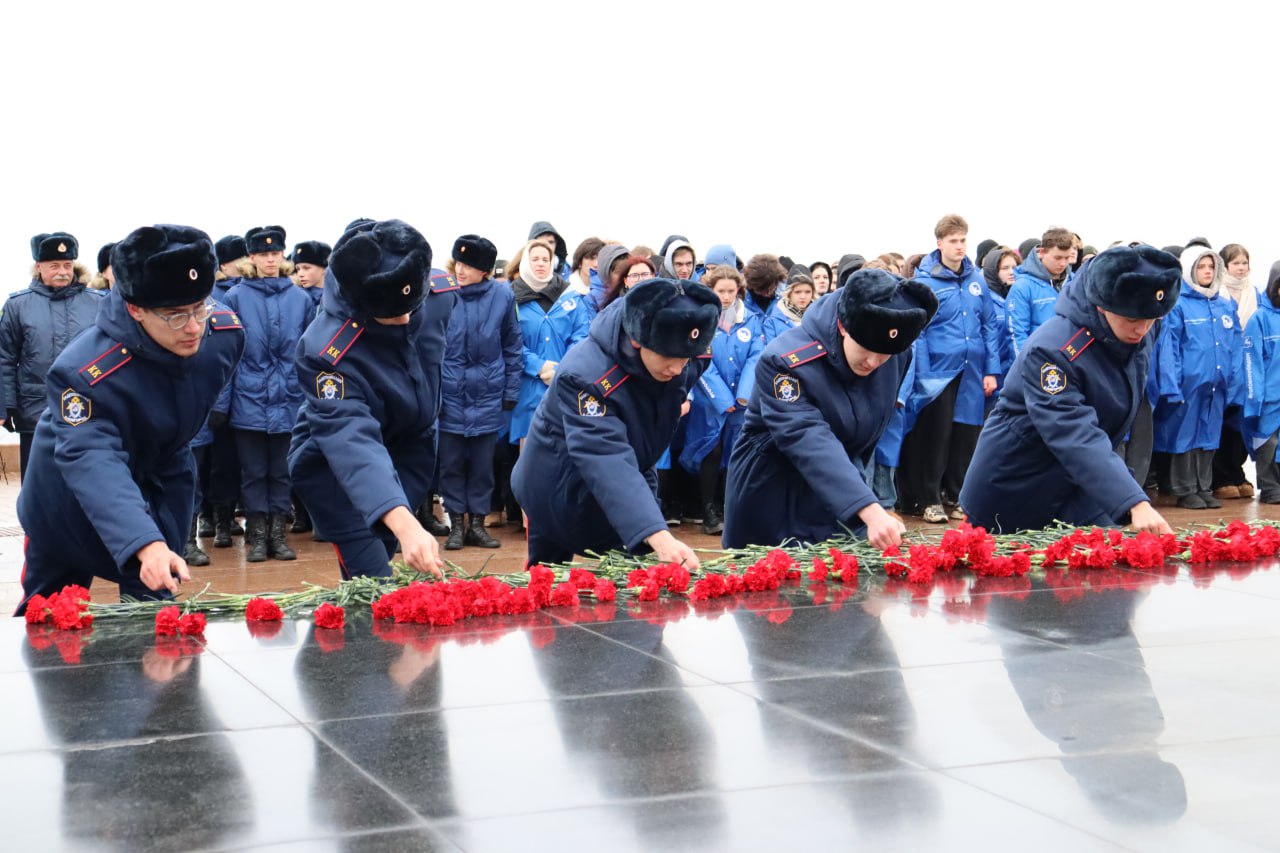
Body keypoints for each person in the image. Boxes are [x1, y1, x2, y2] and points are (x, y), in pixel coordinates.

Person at [14, 224, 245, 614]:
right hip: (69, 499)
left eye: (200, 307)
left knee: (157, 618)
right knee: (49, 619)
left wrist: (153, 542)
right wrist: (143, 540)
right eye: (174, 316)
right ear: (135, 309)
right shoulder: (85, 371)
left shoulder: (223, 335)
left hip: (159, 482)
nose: (193, 327)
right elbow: (91, 458)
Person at [959, 245, 1181, 534]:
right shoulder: (1054, 350)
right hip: (1016, 490)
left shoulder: (1138, 329)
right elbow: (1073, 432)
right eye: (1133, 320)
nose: (1142, 329)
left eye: (1152, 320)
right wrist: (1134, 501)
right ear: (1102, 306)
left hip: (1077, 486)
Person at [511, 277, 720, 567]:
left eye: (686, 358)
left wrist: (652, 531)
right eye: (669, 358)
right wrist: (658, 534)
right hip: (557, 481)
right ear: (637, 340)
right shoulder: (586, 376)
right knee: (548, 578)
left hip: (633, 467)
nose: (677, 369)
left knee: (637, 576)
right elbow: (604, 454)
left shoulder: (684, 355)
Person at [723, 268, 937, 550]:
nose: (873, 362)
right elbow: (806, 436)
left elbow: (866, 435)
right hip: (775, 495)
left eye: (884, 355)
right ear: (844, 327)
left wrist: (864, 501)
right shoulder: (785, 361)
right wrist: (869, 508)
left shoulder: (896, 356)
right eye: (865, 350)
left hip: (841, 491)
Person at [288, 219, 455, 579]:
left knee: (383, 569)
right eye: (392, 315)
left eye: (412, 306)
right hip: (340, 470)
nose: (407, 318)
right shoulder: (325, 352)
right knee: (372, 580)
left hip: (409, 455)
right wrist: (407, 525)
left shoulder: (439, 294)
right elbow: (351, 439)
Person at [896, 214, 1002, 522]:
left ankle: (956, 495)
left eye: (963, 240)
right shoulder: (924, 282)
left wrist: (991, 370)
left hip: (973, 369)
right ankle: (930, 499)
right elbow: (920, 331)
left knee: (966, 435)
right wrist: (925, 373)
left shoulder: (976, 280)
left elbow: (989, 326)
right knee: (936, 435)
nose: (959, 246)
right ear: (939, 243)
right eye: (953, 241)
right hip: (940, 372)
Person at [222, 226, 315, 560]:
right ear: (252, 258)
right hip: (249, 396)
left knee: (281, 470)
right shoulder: (235, 297)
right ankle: (258, 534)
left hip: (289, 397)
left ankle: (278, 533)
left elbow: (308, 352)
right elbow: (228, 355)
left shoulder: (300, 299)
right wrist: (224, 402)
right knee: (252, 471)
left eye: (275, 253)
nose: (270, 259)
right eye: (263, 254)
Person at [438, 234, 522, 550]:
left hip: (488, 393)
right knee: (451, 464)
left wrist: (510, 389)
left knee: (482, 465)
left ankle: (478, 523)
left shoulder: (502, 297)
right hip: (450, 394)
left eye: (470, 265)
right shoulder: (443, 295)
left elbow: (513, 345)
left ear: (484, 270)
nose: (461, 270)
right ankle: (456, 524)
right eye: (459, 262)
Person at [0, 231, 104, 481]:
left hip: (87, 408)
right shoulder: (17, 306)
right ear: (39, 267)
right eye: (54, 265)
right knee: (38, 480)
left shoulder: (98, 303)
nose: (62, 272)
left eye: (67, 265)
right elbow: (5, 357)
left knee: (84, 480)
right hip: (35, 408)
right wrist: (5, 405)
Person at [1151, 245, 1242, 509]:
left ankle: (1204, 486)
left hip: (1217, 384)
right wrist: (1172, 382)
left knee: (1209, 436)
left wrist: (1234, 382)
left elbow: (1234, 345)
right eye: (1201, 267)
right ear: (1189, 270)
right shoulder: (1178, 304)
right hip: (1189, 384)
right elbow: (1169, 347)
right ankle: (1184, 488)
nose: (1206, 272)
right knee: (1183, 436)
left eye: (1211, 267)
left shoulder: (1225, 306)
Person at [679, 264, 764, 535]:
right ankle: (708, 508)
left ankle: (730, 506)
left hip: (741, 403)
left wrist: (744, 393)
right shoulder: (702, 319)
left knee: (735, 452)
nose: (726, 297)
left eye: (731, 291)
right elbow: (700, 358)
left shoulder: (750, 319)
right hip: (709, 401)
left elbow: (756, 356)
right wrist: (721, 397)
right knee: (711, 451)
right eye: (720, 291)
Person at [507, 239, 592, 446]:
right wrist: (538, 366)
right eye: (535, 259)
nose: (541, 263)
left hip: (565, 384)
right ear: (525, 262)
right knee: (529, 457)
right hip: (528, 387)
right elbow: (510, 341)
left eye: (546, 259)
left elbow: (582, 336)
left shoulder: (571, 296)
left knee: (565, 450)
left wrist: (562, 368)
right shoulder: (511, 297)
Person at [1213, 242, 1256, 499]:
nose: (1241, 268)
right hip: (1223, 363)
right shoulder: (1217, 293)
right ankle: (1220, 476)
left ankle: (1236, 471)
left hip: (1248, 365)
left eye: (1244, 263)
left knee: (1242, 422)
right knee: (1220, 421)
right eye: (1235, 263)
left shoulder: (1255, 293)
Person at [1244, 260, 1280, 503]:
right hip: (1269, 396)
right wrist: (1255, 398)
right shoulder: (1260, 319)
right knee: (1267, 442)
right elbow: (1251, 361)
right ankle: (1270, 488)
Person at [1007, 227, 1075, 353]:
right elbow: (1017, 334)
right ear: (1042, 252)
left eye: (1067, 258)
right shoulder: (1023, 286)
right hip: (1039, 360)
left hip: (1072, 359)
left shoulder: (1075, 282)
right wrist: (1025, 367)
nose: (1063, 263)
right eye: (1058, 257)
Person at [292, 239, 331, 313]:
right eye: (298, 269)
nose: (300, 274)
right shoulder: (295, 298)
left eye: (306, 268)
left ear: (324, 268)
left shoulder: (339, 299)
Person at [743, 253, 786, 318]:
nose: (769, 292)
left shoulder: (782, 302)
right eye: (764, 288)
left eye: (772, 287)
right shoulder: (740, 303)